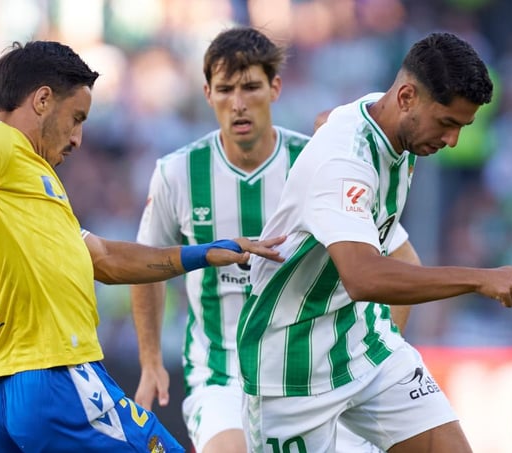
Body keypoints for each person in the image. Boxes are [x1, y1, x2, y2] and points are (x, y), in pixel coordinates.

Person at [0, 40, 287, 453]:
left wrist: (203, 253)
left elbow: (105, 259)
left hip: (2, 392)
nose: (77, 138)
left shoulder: (26, 186)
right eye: (76, 118)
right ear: (42, 100)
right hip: (55, 374)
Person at [237, 31, 512, 452]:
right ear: (406, 97)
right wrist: (480, 279)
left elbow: (329, 119)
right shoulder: (343, 161)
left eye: (462, 127)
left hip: (363, 343)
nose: (453, 141)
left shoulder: (389, 120)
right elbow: (364, 278)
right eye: (447, 123)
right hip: (290, 366)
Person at [130, 27, 419, 453]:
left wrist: (377, 354)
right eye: (225, 89)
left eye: (250, 87)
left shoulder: (319, 161)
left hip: (316, 374)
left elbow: (402, 259)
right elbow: (146, 265)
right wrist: (150, 359)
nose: (238, 103)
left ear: (275, 88)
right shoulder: (177, 173)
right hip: (222, 375)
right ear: (207, 94)